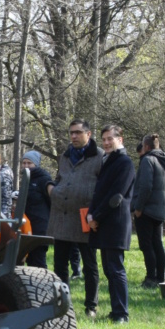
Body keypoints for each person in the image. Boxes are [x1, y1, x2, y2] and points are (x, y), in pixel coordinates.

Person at [47, 119, 103, 317]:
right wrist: (52, 189)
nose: (74, 136)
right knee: (60, 264)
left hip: (84, 217)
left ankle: (91, 306)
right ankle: (63, 305)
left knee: (89, 265)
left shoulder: (99, 156)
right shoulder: (65, 156)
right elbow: (60, 178)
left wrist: (96, 213)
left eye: (78, 132)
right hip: (61, 216)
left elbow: (103, 187)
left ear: (88, 134)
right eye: (71, 133)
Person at [87, 125, 135, 323]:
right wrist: (90, 214)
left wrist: (96, 217)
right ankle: (115, 311)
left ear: (120, 140)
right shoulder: (107, 161)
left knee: (116, 269)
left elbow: (116, 196)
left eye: (110, 139)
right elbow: (99, 192)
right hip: (103, 223)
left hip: (116, 223)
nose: (106, 143)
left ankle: (121, 313)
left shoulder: (125, 163)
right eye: (104, 139)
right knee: (108, 269)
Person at [130, 133, 165, 288]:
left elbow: (146, 186)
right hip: (160, 211)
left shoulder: (147, 160)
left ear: (146, 147)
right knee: (158, 244)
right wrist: (164, 206)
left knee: (146, 245)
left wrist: (138, 208)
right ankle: (161, 278)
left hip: (145, 210)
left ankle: (151, 278)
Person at [20, 150, 53, 268]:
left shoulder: (44, 179)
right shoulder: (26, 179)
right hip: (27, 227)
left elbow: (52, 200)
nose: (26, 166)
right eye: (24, 163)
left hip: (40, 227)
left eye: (29, 163)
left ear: (36, 164)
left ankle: (43, 279)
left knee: (38, 260)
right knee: (30, 260)